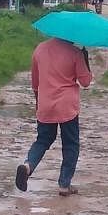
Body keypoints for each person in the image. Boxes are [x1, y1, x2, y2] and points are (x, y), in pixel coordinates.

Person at [16, 38, 93, 196]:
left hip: (45, 103)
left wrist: (39, 102)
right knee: (71, 144)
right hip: (67, 106)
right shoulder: (75, 53)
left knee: (42, 140)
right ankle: (64, 185)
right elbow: (85, 82)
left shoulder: (40, 49)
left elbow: (35, 83)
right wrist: (85, 59)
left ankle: (28, 166)